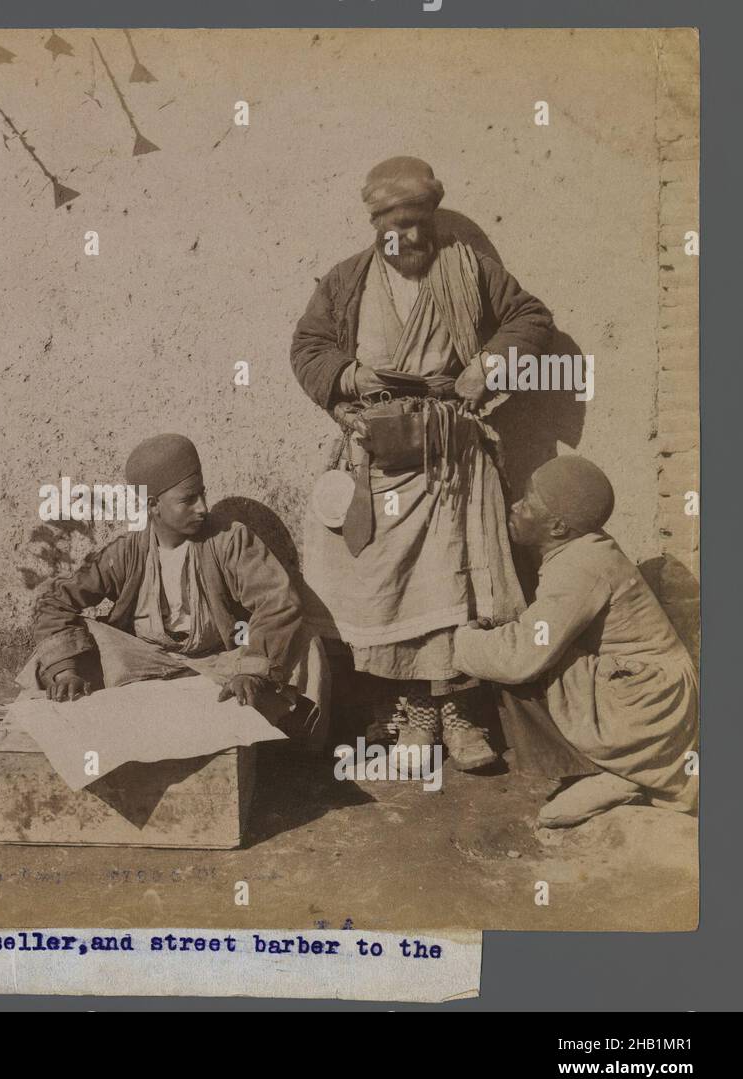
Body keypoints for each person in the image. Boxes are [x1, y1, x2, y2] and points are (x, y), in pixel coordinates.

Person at [290, 155, 555, 769]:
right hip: (377, 456)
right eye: (393, 225)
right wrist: (350, 377)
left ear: (431, 218)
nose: (405, 238)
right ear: (374, 222)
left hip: (453, 456)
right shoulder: (346, 281)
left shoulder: (470, 271)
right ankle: (412, 710)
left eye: (416, 223)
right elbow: (308, 347)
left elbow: (531, 319)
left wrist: (486, 367)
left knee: (458, 588)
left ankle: (462, 715)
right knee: (392, 590)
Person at [452, 456, 698, 827]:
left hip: (646, 708)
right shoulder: (587, 547)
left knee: (518, 659)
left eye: (528, 503)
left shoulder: (579, 566)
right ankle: (627, 772)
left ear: (559, 527)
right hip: (656, 698)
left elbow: (520, 657)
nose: (515, 507)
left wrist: (460, 642)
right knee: (523, 643)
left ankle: (617, 772)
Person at [21, 434, 319, 727]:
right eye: (189, 499)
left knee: (307, 647)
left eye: (203, 493)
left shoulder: (229, 539)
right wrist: (67, 672)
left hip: (219, 662)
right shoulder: (126, 552)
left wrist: (251, 670)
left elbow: (277, 602)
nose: (202, 507)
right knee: (53, 657)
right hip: (140, 661)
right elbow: (54, 603)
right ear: (153, 506)